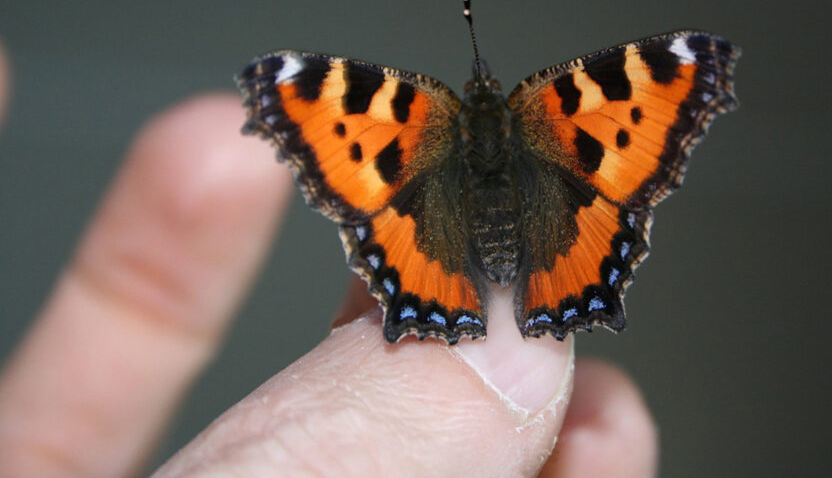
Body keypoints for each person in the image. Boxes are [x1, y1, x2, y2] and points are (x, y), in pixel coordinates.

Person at [0, 45, 656, 477]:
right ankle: (497, 295)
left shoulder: (404, 110)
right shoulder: (568, 100)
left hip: (451, 222)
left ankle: (457, 297)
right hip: (550, 220)